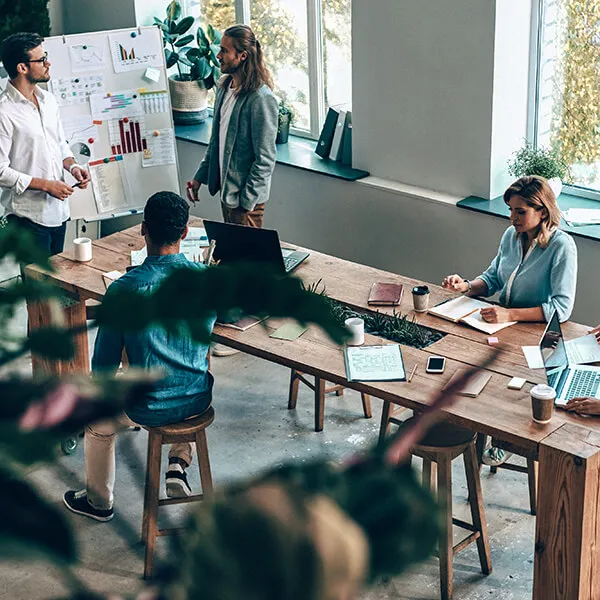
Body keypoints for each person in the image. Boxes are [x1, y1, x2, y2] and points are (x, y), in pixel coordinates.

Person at [63, 192, 216, 521]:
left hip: (147, 406)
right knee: (188, 367)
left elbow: (103, 368)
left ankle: (98, 501)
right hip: (198, 399)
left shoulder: (125, 290)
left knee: (97, 422)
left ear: (143, 229)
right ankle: (177, 463)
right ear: (185, 233)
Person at [442, 175, 578, 465]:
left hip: (536, 335)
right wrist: (465, 286)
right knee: (464, 367)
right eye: (510, 210)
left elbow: (561, 308)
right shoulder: (511, 236)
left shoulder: (562, 247)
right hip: (501, 326)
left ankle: (507, 437)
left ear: (542, 211)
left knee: (510, 388)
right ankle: (474, 428)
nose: (512, 218)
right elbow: (492, 279)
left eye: (520, 212)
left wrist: (510, 314)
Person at [0, 32, 90, 256]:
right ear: (22, 67)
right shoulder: (4, 111)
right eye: (41, 60)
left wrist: (74, 167)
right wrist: (46, 185)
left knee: (56, 282)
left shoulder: (48, 101)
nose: (48, 63)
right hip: (27, 217)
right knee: (39, 288)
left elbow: (60, 144)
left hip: (58, 213)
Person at [186, 24, 278, 230]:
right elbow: (216, 141)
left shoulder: (260, 99)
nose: (218, 55)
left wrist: (246, 202)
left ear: (243, 56)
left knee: (247, 260)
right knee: (231, 257)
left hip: (246, 203)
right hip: (227, 195)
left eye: (225, 51)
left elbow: (265, 159)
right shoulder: (223, 86)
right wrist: (199, 177)